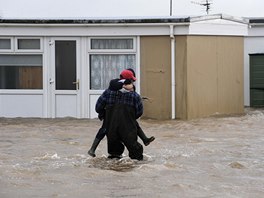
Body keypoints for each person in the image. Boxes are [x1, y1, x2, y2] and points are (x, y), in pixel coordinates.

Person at [88, 69, 154, 159]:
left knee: (114, 157)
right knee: (136, 158)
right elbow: (139, 113)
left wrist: (105, 115)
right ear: (130, 81)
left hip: (111, 130)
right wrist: (128, 118)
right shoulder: (135, 96)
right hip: (129, 131)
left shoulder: (108, 93)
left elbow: (98, 108)